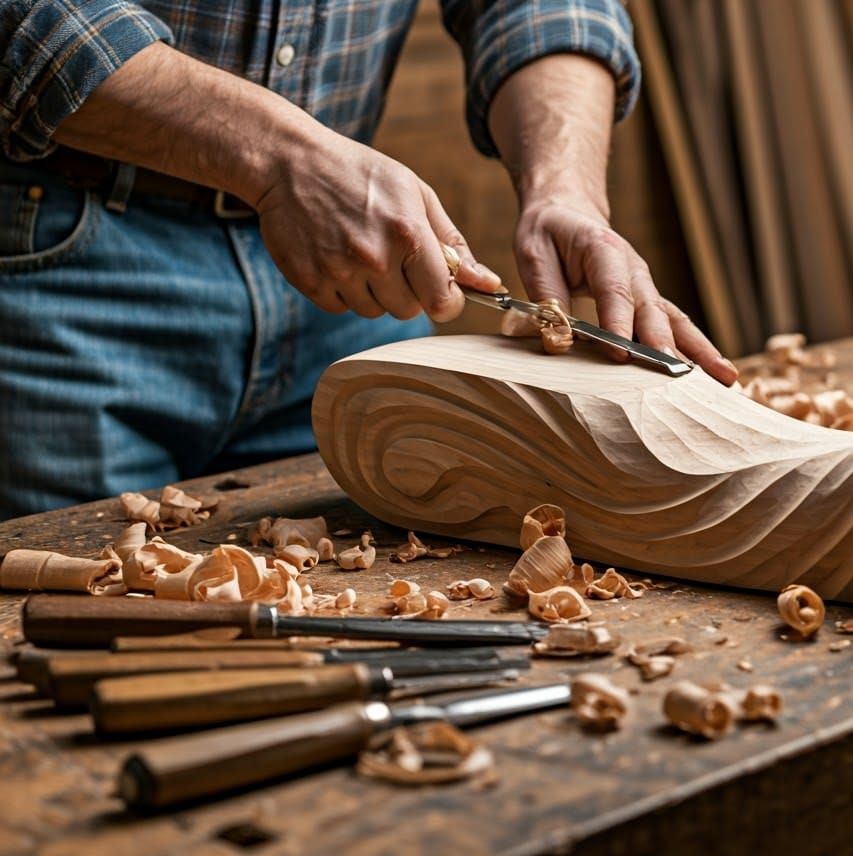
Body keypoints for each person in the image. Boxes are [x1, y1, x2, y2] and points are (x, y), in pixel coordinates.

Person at [0, 0, 738, 521]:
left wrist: (564, 189)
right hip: (61, 265)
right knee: (82, 632)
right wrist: (281, 158)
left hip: (355, 290)